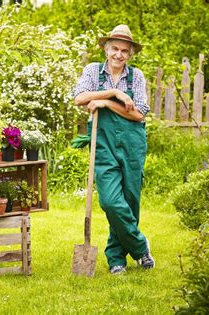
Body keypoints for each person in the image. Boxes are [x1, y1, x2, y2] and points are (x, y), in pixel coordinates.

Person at [73, 24, 155, 275]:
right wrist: (114, 92)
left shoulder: (137, 76)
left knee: (129, 201)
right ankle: (141, 247)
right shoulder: (93, 71)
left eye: (124, 51)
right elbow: (79, 99)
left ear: (130, 54)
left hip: (132, 144)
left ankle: (116, 258)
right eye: (115, 49)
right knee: (110, 201)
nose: (119, 54)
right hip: (103, 143)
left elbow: (139, 114)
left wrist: (105, 102)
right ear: (106, 50)